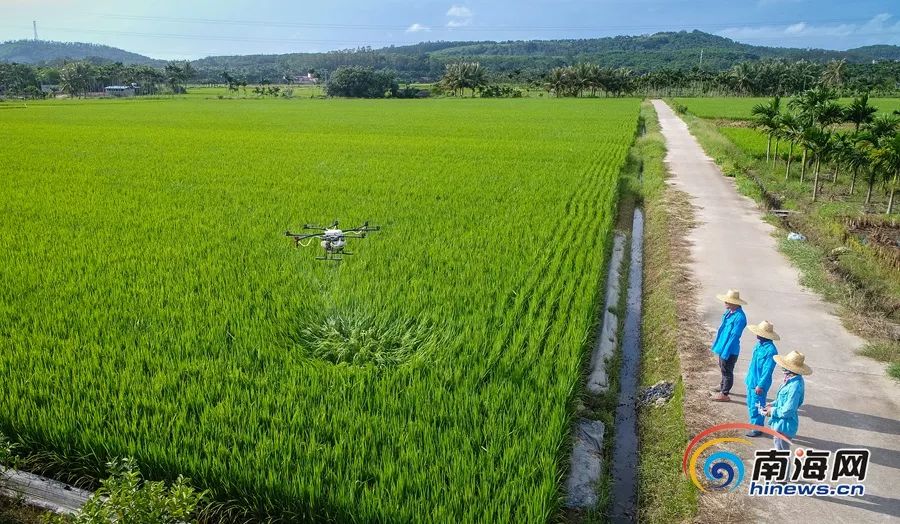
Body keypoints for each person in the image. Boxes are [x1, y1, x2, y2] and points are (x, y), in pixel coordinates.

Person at [763, 351, 812, 451]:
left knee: (781, 452)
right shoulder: (790, 380)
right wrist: (772, 404)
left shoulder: (795, 386)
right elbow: (783, 400)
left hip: (784, 426)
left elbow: (788, 410)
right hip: (780, 424)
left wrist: (772, 410)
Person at [709, 289, 748, 402]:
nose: (725, 302)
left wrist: (726, 351)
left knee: (727, 371)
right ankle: (722, 386)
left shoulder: (740, 318)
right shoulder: (729, 312)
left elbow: (734, 336)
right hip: (723, 346)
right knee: (723, 368)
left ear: (735, 303)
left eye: (728, 301)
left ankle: (725, 393)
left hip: (730, 349)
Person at [743, 320, 780, 436]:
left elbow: (767, 370)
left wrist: (761, 385)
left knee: (757, 406)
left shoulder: (771, 350)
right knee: (750, 403)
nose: (756, 334)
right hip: (751, 380)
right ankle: (754, 424)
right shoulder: (758, 345)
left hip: (759, 384)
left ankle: (758, 428)